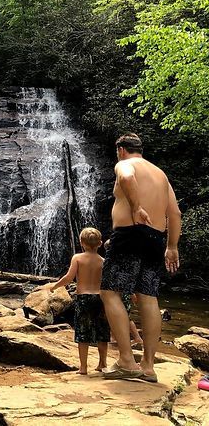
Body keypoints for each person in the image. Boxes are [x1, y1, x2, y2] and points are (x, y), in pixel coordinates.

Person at [100, 133, 181, 382]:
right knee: (148, 296)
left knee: (110, 291)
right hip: (156, 238)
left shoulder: (125, 163)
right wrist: (172, 246)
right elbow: (175, 213)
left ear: (121, 150)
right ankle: (148, 366)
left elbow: (125, 177)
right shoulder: (160, 174)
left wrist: (135, 207)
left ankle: (126, 360)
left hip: (129, 234)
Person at [50, 227, 109, 375]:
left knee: (83, 333)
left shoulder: (77, 258)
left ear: (81, 242)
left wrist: (55, 286)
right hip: (100, 298)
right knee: (102, 331)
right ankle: (103, 363)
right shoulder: (103, 261)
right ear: (100, 243)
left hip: (83, 298)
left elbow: (69, 277)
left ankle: (83, 367)